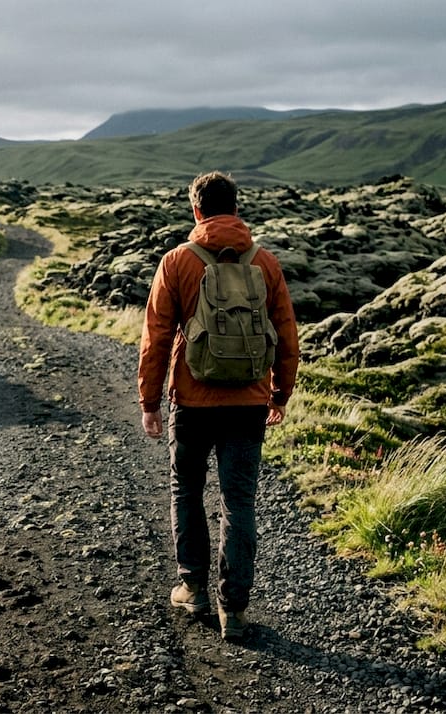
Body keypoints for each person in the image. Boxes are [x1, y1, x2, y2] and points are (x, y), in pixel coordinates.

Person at [137, 171, 299, 641]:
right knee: (239, 500)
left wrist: (150, 401)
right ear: (236, 208)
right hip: (249, 400)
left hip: (191, 399)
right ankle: (236, 607)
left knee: (186, 488)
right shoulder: (264, 262)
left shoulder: (176, 262)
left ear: (196, 210)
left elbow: (156, 338)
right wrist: (280, 393)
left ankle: (194, 588)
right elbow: (286, 332)